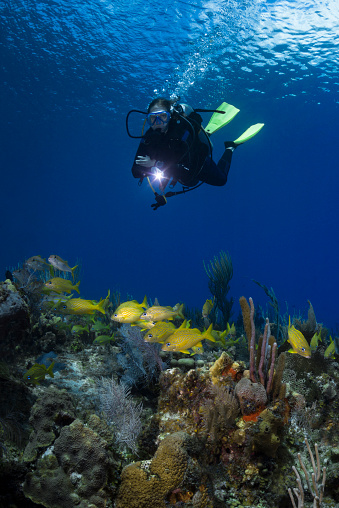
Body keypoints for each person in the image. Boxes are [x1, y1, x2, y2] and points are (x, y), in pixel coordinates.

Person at [130, 97, 263, 209]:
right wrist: (157, 167)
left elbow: (187, 169)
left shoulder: (180, 131)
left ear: (170, 117)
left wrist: (155, 164)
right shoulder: (149, 137)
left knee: (221, 180)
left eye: (163, 117)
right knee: (178, 175)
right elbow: (135, 171)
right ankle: (205, 134)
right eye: (153, 118)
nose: (158, 123)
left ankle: (231, 147)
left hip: (197, 164)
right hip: (176, 171)